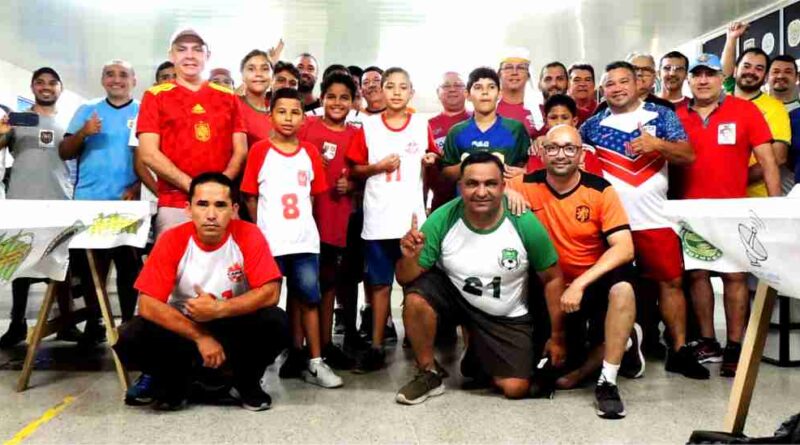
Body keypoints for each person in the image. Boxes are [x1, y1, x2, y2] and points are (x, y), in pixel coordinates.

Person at [512, 125, 710, 416]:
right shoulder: (524, 184)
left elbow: (624, 247)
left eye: (570, 148)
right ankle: (625, 342)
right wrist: (506, 192)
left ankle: (608, 380)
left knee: (623, 289)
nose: (561, 155)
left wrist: (580, 284)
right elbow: (484, 189)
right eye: (553, 148)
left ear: (581, 154)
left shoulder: (601, 190)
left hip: (591, 280)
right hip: (548, 285)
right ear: (542, 153)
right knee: (556, 368)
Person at [394, 152, 565, 404]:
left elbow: (553, 279)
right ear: (461, 186)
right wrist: (410, 256)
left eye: (490, 184)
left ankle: (478, 351)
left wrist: (557, 337)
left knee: (515, 388)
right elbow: (405, 278)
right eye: (472, 183)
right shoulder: (442, 218)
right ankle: (428, 372)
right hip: (456, 298)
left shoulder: (524, 223)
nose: (481, 192)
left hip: (503, 314)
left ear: (503, 187)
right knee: (416, 298)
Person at [113, 173, 289, 411]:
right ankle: (174, 382)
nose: (211, 215)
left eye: (220, 205)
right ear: (188, 209)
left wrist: (219, 309)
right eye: (202, 204)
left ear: (233, 209)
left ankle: (245, 382)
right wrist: (200, 336)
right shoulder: (172, 240)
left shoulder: (249, 234)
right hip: (184, 329)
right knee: (131, 336)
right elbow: (148, 304)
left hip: (231, 323)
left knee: (276, 321)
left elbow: (271, 292)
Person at [581, 61, 703, 376]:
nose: (617, 88)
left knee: (671, 283)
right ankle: (614, 350)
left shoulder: (661, 115)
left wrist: (656, 145)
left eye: (624, 81)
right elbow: (568, 154)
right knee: (611, 288)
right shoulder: (592, 125)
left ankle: (678, 350)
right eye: (610, 83)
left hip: (655, 218)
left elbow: (688, 155)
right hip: (610, 226)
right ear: (602, 90)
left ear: (638, 85)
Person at [676, 54, 781, 377]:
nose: (703, 80)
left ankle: (736, 345)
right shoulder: (677, 115)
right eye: (697, 75)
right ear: (689, 81)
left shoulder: (745, 110)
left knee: (735, 277)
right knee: (698, 275)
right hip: (690, 209)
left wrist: (775, 207)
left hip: (733, 209)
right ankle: (708, 340)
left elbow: (767, 160)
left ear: (723, 79)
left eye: (710, 74)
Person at [241, 88, 342, 388]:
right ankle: (253, 368)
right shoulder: (260, 150)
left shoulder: (310, 152)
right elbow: (250, 197)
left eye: (295, 112)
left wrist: (301, 227)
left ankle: (314, 361)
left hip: (304, 242)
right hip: (270, 244)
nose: (288, 118)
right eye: (282, 111)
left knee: (309, 299)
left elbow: (312, 196)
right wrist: (262, 232)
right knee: (264, 304)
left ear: (303, 117)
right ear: (270, 115)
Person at [345, 67, 438, 372]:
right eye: (390, 86)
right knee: (378, 283)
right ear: (381, 91)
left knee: (414, 280)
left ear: (411, 92)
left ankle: (418, 338)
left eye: (403, 87)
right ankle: (375, 345)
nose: (396, 92)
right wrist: (377, 167)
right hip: (377, 217)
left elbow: (434, 159)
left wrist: (431, 160)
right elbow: (355, 170)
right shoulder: (367, 127)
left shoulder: (420, 124)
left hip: (410, 218)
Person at [59, 60, 145, 338]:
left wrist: (138, 185)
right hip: (89, 201)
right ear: (102, 79)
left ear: (134, 79)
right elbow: (64, 151)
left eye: (123, 75)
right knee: (91, 268)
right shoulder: (87, 110)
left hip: (126, 203)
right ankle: (97, 321)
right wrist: (84, 132)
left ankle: (129, 323)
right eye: (110, 74)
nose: (116, 80)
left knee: (128, 266)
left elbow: (152, 157)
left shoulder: (142, 111)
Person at [136, 28, 247, 236]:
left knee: (229, 267)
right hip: (175, 204)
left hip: (223, 203)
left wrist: (216, 190)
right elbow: (148, 153)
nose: (189, 55)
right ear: (172, 55)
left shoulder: (228, 97)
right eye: (182, 49)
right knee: (175, 266)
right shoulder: (154, 96)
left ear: (208, 56)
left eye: (197, 49)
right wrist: (196, 187)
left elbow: (240, 151)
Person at [0, 67, 79, 348]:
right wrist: (3, 131)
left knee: (60, 264)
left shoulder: (66, 123)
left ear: (60, 88)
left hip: (59, 201)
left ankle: (66, 323)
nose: (46, 87)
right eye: (40, 83)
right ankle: (17, 324)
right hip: (21, 201)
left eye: (52, 83)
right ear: (32, 87)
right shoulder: (17, 120)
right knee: (19, 262)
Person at [297, 72, 360, 369]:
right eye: (332, 96)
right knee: (301, 287)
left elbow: (362, 173)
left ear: (353, 102)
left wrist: (353, 186)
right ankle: (297, 348)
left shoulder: (355, 135)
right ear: (322, 98)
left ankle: (323, 344)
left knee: (328, 284)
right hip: (302, 219)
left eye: (344, 97)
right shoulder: (306, 125)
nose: (337, 102)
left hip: (336, 220)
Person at [721, 22, 791, 198]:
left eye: (759, 68)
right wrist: (731, 38)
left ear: (765, 77)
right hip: (717, 195)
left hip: (756, 200)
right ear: (736, 70)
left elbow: (778, 157)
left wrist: (735, 181)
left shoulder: (775, 108)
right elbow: (724, 71)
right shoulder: (721, 100)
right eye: (746, 66)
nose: (751, 72)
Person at [441, 67, 529, 181]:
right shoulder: (456, 131)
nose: (485, 92)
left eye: (491, 87)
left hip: (506, 196)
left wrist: (523, 172)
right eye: (478, 87)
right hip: (467, 197)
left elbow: (529, 165)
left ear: (499, 94)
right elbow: (445, 173)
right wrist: (467, 165)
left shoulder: (515, 129)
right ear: (467, 95)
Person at [426, 71, 470, 212]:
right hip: (440, 201)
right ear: (438, 92)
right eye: (446, 86)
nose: (452, 89)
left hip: (474, 197)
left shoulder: (479, 120)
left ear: (467, 92)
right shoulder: (426, 125)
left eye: (458, 85)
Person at [593, 55, 675, 115]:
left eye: (646, 70)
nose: (639, 74)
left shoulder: (665, 107)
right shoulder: (605, 107)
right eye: (634, 69)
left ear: (655, 76)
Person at [766, 54, 800, 193]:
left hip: (792, 193)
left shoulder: (798, 113)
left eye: (788, 72)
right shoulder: (753, 108)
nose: (780, 76)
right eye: (775, 71)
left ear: (797, 77)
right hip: (754, 189)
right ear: (767, 76)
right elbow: (727, 78)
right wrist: (732, 38)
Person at [497, 50, 541, 137]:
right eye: (508, 68)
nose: (514, 73)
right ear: (499, 74)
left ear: (528, 75)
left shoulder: (540, 110)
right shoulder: (488, 109)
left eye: (521, 68)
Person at [238, 49, 273, 148]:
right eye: (251, 69)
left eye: (265, 69)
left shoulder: (278, 110)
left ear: (272, 76)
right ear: (242, 76)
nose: (258, 74)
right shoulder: (234, 104)